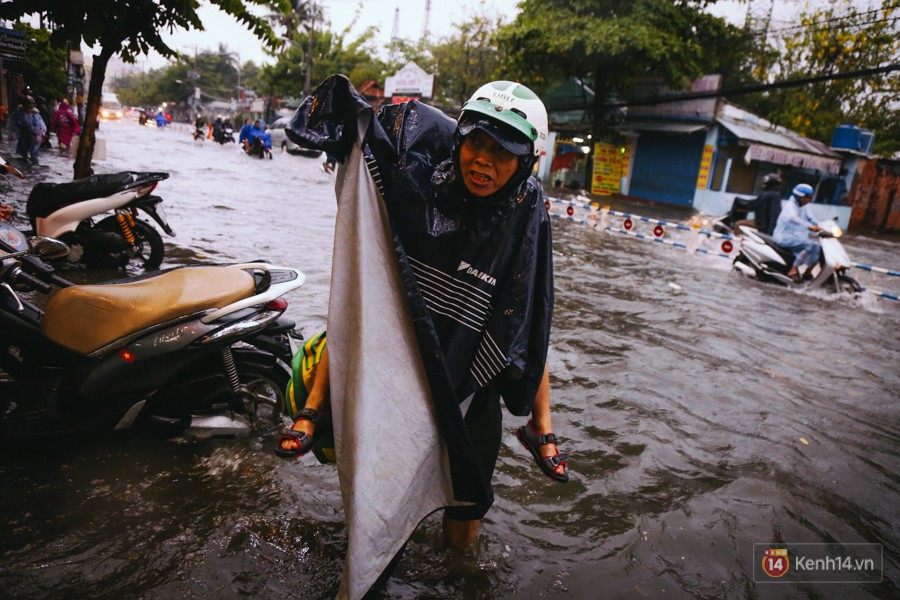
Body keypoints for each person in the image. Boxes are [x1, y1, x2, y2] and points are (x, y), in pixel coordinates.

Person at [277, 76, 567, 575]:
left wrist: (541, 424)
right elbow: (360, 305)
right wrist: (350, 115)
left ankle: (458, 567)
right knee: (376, 491)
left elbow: (526, 320)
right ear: (460, 137)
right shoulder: (417, 168)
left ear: (527, 163)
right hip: (398, 355)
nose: (483, 160)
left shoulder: (527, 213)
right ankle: (310, 411)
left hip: (471, 375)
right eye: (475, 142)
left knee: (467, 499)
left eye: (503, 152)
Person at [772, 183, 821, 281]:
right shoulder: (790, 206)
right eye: (807, 198)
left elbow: (811, 218)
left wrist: (821, 225)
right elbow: (793, 218)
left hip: (795, 237)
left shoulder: (802, 206)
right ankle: (793, 269)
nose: (809, 200)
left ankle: (808, 272)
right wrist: (809, 226)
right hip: (783, 237)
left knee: (818, 247)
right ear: (799, 197)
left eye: (810, 198)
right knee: (809, 244)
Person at [10, 96, 46, 163]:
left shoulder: (35, 113)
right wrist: (13, 134)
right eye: (28, 103)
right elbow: (13, 124)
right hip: (23, 135)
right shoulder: (19, 113)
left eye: (31, 103)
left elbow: (41, 124)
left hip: (34, 136)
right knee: (23, 152)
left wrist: (43, 133)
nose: (30, 105)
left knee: (34, 154)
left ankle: (34, 164)